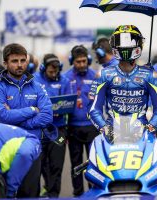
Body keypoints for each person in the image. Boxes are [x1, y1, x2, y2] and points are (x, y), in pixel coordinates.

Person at [0, 43, 53, 197]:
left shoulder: (37, 87)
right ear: (5, 63)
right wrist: (32, 110)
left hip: (32, 146)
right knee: (7, 193)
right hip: (6, 149)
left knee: (30, 193)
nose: (19, 65)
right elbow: (3, 116)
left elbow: (47, 116)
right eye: (14, 61)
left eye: (23, 60)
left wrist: (18, 120)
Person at [88, 25, 157, 139]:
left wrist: (150, 128)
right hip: (111, 135)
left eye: (129, 42)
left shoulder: (150, 75)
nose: (125, 46)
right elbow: (93, 109)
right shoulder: (103, 74)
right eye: (121, 42)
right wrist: (105, 129)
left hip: (142, 135)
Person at [62, 45, 99, 197]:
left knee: (94, 164)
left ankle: (94, 192)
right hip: (73, 128)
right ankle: (78, 194)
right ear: (72, 61)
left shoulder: (95, 75)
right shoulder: (65, 77)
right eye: (78, 62)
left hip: (92, 127)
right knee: (76, 164)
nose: (82, 64)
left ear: (88, 60)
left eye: (84, 61)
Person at [33, 54, 69, 197]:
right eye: (50, 72)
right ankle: (46, 187)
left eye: (56, 71)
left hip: (58, 128)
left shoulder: (64, 80)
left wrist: (61, 107)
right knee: (40, 163)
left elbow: (69, 102)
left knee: (56, 164)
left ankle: (53, 195)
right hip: (40, 129)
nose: (54, 74)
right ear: (43, 69)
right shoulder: (35, 79)